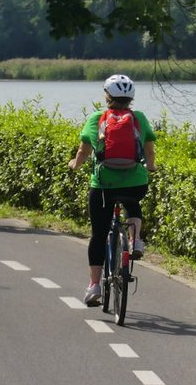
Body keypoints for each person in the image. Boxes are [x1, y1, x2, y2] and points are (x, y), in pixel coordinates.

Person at [67, 74, 156, 306]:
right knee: (133, 204)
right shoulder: (140, 118)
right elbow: (149, 151)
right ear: (131, 98)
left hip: (103, 185)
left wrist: (74, 165)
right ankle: (135, 240)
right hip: (135, 181)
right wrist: (152, 167)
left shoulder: (97, 118)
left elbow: (83, 151)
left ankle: (94, 286)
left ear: (107, 96)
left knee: (98, 235)